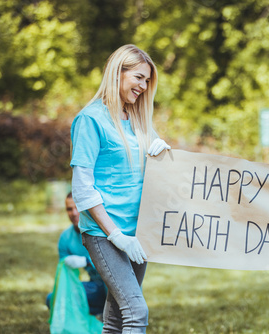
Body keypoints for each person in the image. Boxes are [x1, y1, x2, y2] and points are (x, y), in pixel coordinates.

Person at [70, 44, 171, 333]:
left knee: (116, 319)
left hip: (139, 233)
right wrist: (115, 235)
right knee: (136, 312)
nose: (143, 86)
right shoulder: (90, 120)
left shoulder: (139, 120)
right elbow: (82, 188)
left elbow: (157, 171)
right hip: (106, 234)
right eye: (139, 77)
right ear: (119, 72)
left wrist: (164, 154)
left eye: (147, 80)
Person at [46, 192, 107, 316]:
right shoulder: (65, 238)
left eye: (77, 208)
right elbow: (65, 276)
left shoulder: (101, 229)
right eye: (69, 209)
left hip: (115, 287)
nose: (74, 213)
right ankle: (95, 316)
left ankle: (111, 315)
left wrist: (87, 261)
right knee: (52, 299)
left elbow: (115, 265)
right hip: (95, 286)